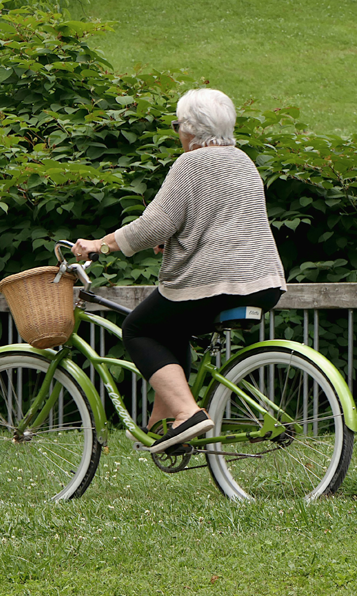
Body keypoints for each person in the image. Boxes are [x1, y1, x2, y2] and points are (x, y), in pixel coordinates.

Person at [72, 88, 286, 453]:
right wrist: (174, 238)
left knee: (138, 328)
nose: (177, 133)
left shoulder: (190, 164)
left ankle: (186, 412)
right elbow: (218, 222)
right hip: (263, 280)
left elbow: (155, 223)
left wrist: (100, 245)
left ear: (189, 128)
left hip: (216, 281)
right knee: (172, 328)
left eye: (177, 125)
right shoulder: (243, 162)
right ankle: (164, 421)